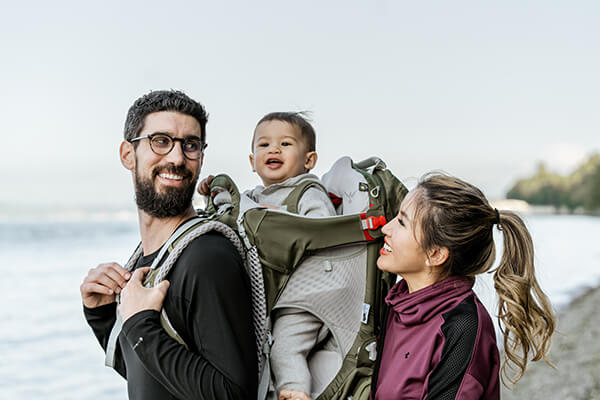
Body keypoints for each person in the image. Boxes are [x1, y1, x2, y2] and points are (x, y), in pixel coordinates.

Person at [80, 90, 257, 400]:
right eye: (160, 141)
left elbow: (234, 393)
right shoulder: (149, 260)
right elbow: (150, 372)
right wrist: (102, 315)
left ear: (201, 156)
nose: (177, 158)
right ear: (127, 154)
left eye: (190, 145)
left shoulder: (207, 258)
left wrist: (140, 325)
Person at [372, 173, 555, 400]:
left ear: (436, 254)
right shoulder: (398, 303)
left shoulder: (463, 327)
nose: (385, 229)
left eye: (401, 222)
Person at [199, 112, 337, 400]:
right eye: (264, 145)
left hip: (308, 294)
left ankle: (295, 391)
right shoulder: (255, 196)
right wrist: (214, 193)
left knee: (286, 345)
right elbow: (234, 215)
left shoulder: (308, 192)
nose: (273, 150)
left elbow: (324, 232)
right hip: (277, 291)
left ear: (308, 160)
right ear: (252, 161)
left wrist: (284, 221)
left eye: (285, 144)